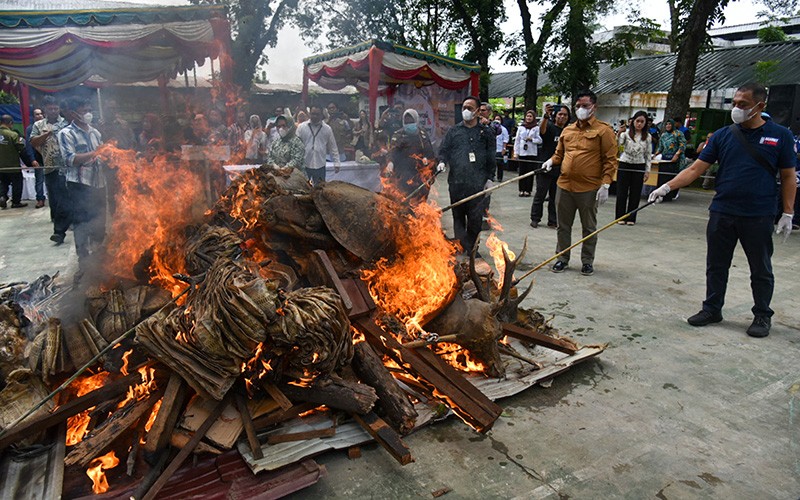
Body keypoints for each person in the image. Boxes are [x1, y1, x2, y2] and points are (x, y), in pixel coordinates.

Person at [648, 83, 796, 338]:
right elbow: (696, 169)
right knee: (716, 264)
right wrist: (667, 186)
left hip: (758, 213)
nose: (736, 108)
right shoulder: (723, 135)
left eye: (743, 104)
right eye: (734, 103)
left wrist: (788, 212)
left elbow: (788, 176)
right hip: (722, 210)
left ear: (760, 106)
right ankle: (712, 309)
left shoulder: (780, 135)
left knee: (760, 268)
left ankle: (762, 314)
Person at [543, 90, 617, 276]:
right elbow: (559, 154)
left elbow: (610, 160)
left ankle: (587, 261)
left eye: (585, 105)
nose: (581, 109)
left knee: (589, 227)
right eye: (578, 106)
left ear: (594, 107)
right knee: (563, 226)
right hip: (564, 185)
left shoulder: (604, 130)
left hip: (589, 188)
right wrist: (550, 161)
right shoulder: (568, 130)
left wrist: (606, 184)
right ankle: (562, 258)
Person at [438, 96, 496, 256]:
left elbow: (492, 157)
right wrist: (441, 161)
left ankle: (472, 248)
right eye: (464, 107)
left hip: (477, 184)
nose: (466, 111)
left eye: (470, 108)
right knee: (458, 217)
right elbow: (444, 150)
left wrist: (490, 179)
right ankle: (460, 245)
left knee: (475, 218)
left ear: (477, 111)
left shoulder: (486, 133)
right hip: (456, 182)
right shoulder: (454, 131)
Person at [57, 96, 105, 281]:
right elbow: (70, 159)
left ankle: (99, 259)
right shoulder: (66, 133)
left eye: (89, 109)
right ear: (73, 113)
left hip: (99, 183)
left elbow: (101, 156)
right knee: (82, 224)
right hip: (79, 184)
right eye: (84, 110)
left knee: (99, 222)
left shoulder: (95, 133)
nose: (88, 113)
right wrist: (96, 152)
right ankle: (84, 262)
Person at [31, 96, 71, 244]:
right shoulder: (38, 125)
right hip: (50, 167)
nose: (54, 111)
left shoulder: (66, 122)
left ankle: (60, 230)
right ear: (45, 109)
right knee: (54, 199)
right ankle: (59, 222)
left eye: (56, 108)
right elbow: (33, 141)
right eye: (50, 108)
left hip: (67, 167)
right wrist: (47, 133)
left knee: (65, 197)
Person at [385, 109, 436, 203]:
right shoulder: (398, 135)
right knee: (404, 201)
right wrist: (390, 163)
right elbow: (392, 151)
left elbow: (429, 151)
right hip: (403, 174)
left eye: (411, 122)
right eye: (407, 122)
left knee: (420, 201)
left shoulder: (422, 134)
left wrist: (427, 159)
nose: (409, 124)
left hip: (420, 174)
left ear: (416, 120)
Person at [531, 104, 570, 228]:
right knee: (540, 194)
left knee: (555, 197)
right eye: (560, 114)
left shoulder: (569, 131)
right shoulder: (550, 126)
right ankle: (535, 218)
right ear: (555, 115)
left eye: (565, 115)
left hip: (560, 169)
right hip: (545, 166)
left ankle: (553, 220)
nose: (562, 117)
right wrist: (545, 116)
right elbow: (542, 131)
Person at [615, 111, 652, 226]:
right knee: (622, 192)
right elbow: (617, 147)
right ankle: (620, 216)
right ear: (633, 121)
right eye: (637, 121)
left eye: (642, 122)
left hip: (639, 165)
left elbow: (648, 155)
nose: (639, 124)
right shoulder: (625, 134)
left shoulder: (648, 137)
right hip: (625, 163)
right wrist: (618, 134)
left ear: (645, 123)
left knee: (635, 193)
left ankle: (631, 217)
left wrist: (647, 171)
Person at [0, 115, 38, 209]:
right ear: (10, 123)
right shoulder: (13, 135)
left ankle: (2, 197)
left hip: (1, 166)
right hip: (13, 165)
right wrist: (29, 162)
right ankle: (16, 202)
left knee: (3, 183)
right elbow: (21, 149)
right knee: (17, 183)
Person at [296, 104, 339, 185]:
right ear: (309, 114)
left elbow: (333, 147)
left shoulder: (327, 129)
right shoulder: (301, 127)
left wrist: (336, 163)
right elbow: (295, 145)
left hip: (320, 165)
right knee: (303, 188)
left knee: (320, 189)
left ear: (321, 115)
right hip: (304, 165)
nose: (315, 116)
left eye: (317, 114)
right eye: (313, 114)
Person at [653, 119, 686, 201]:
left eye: (670, 124)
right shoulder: (664, 135)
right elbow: (660, 147)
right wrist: (655, 154)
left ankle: (671, 195)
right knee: (663, 176)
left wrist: (677, 154)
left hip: (675, 158)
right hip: (665, 158)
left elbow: (682, 145)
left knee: (672, 176)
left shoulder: (678, 133)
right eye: (667, 124)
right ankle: (661, 195)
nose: (668, 126)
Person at [513, 110, 542, 197]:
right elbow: (517, 140)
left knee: (530, 172)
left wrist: (532, 139)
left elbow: (540, 140)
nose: (528, 118)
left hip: (532, 153)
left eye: (530, 116)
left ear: (533, 118)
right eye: (527, 116)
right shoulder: (521, 127)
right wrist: (516, 153)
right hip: (522, 152)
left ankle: (528, 190)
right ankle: (521, 189)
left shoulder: (536, 128)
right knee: (522, 172)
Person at [26, 108, 45, 208]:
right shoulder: (30, 129)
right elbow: (28, 145)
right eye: (37, 114)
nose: (40, 115)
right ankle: (40, 199)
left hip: (50, 157)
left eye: (41, 113)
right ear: (33, 116)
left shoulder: (48, 126)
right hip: (38, 159)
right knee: (39, 180)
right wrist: (32, 159)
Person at [492, 114, 509, 181]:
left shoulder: (503, 129)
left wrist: (504, 148)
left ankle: (499, 177)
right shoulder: (491, 128)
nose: (497, 120)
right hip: (492, 149)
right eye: (496, 119)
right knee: (492, 163)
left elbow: (505, 140)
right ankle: (492, 176)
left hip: (500, 149)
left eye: (499, 119)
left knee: (499, 164)